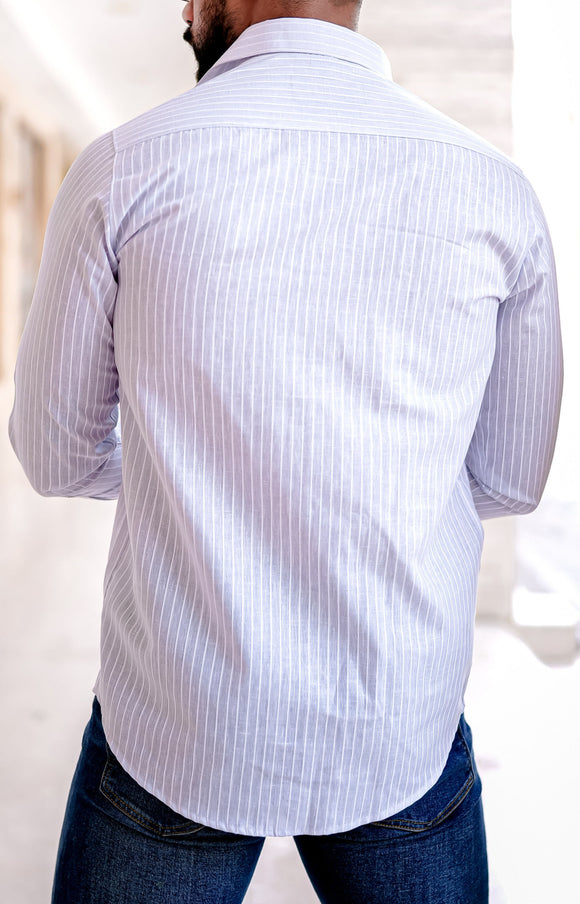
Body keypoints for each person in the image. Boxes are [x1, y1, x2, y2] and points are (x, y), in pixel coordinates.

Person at [9, 0, 563, 902]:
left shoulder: (124, 166)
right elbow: (508, 478)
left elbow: (55, 454)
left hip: (180, 725)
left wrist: (189, 469)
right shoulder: (495, 190)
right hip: (396, 725)